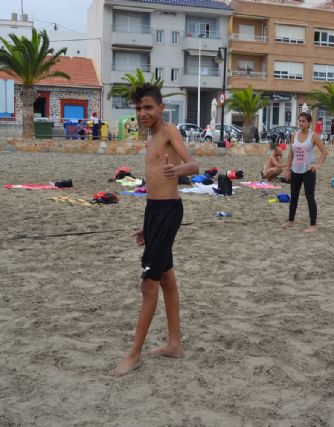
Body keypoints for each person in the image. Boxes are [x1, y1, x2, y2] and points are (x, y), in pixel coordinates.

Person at [112, 83, 199, 376]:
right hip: (154, 212)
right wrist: (147, 226)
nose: (142, 113)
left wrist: (177, 171)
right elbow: (153, 186)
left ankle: (134, 354)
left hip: (169, 212)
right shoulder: (149, 137)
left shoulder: (169, 131)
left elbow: (194, 165)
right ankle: (175, 344)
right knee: (166, 280)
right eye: (138, 108)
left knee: (148, 285)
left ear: (161, 108)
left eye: (148, 107)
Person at [283, 112, 328, 233]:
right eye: (300, 121)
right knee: (294, 196)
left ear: (309, 123)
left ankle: (313, 225)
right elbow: (291, 153)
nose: (301, 123)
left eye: (303, 121)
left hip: (308, 170)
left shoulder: (314, 136)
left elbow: (324, 152)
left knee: (310, 197)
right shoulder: (294, 135)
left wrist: (317, 164)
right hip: (295, 170)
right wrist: (287, 169)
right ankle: (290, 221)